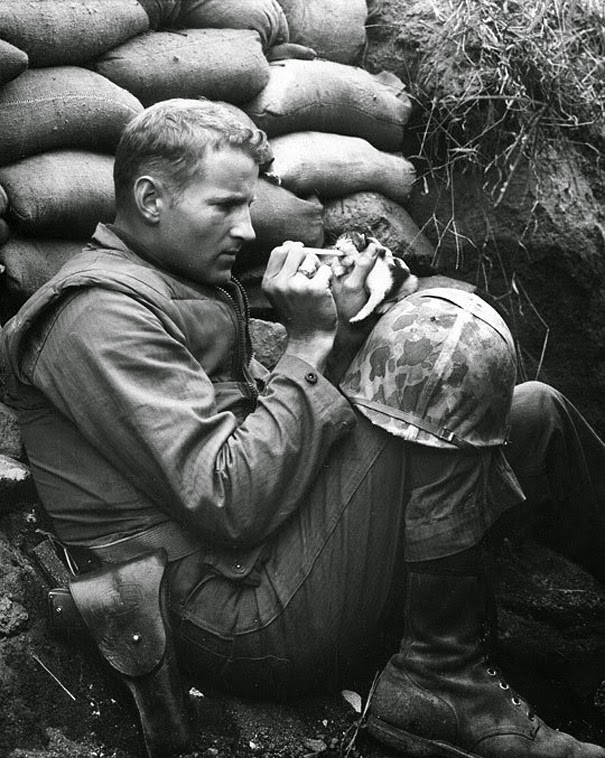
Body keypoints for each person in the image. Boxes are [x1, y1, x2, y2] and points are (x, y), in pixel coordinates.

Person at [3, 98, 605, 758]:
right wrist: (311, 340)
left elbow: (277, 440)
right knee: (440, 345)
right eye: (223, 206)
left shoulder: (177, 285)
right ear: (149, 198)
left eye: (248, 205)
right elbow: (229, 503)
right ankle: (439, 681)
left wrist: (342, 336)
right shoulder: (96, 319)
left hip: (271, 554)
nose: (245, 227)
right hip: (233, 614)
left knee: (536, 415)